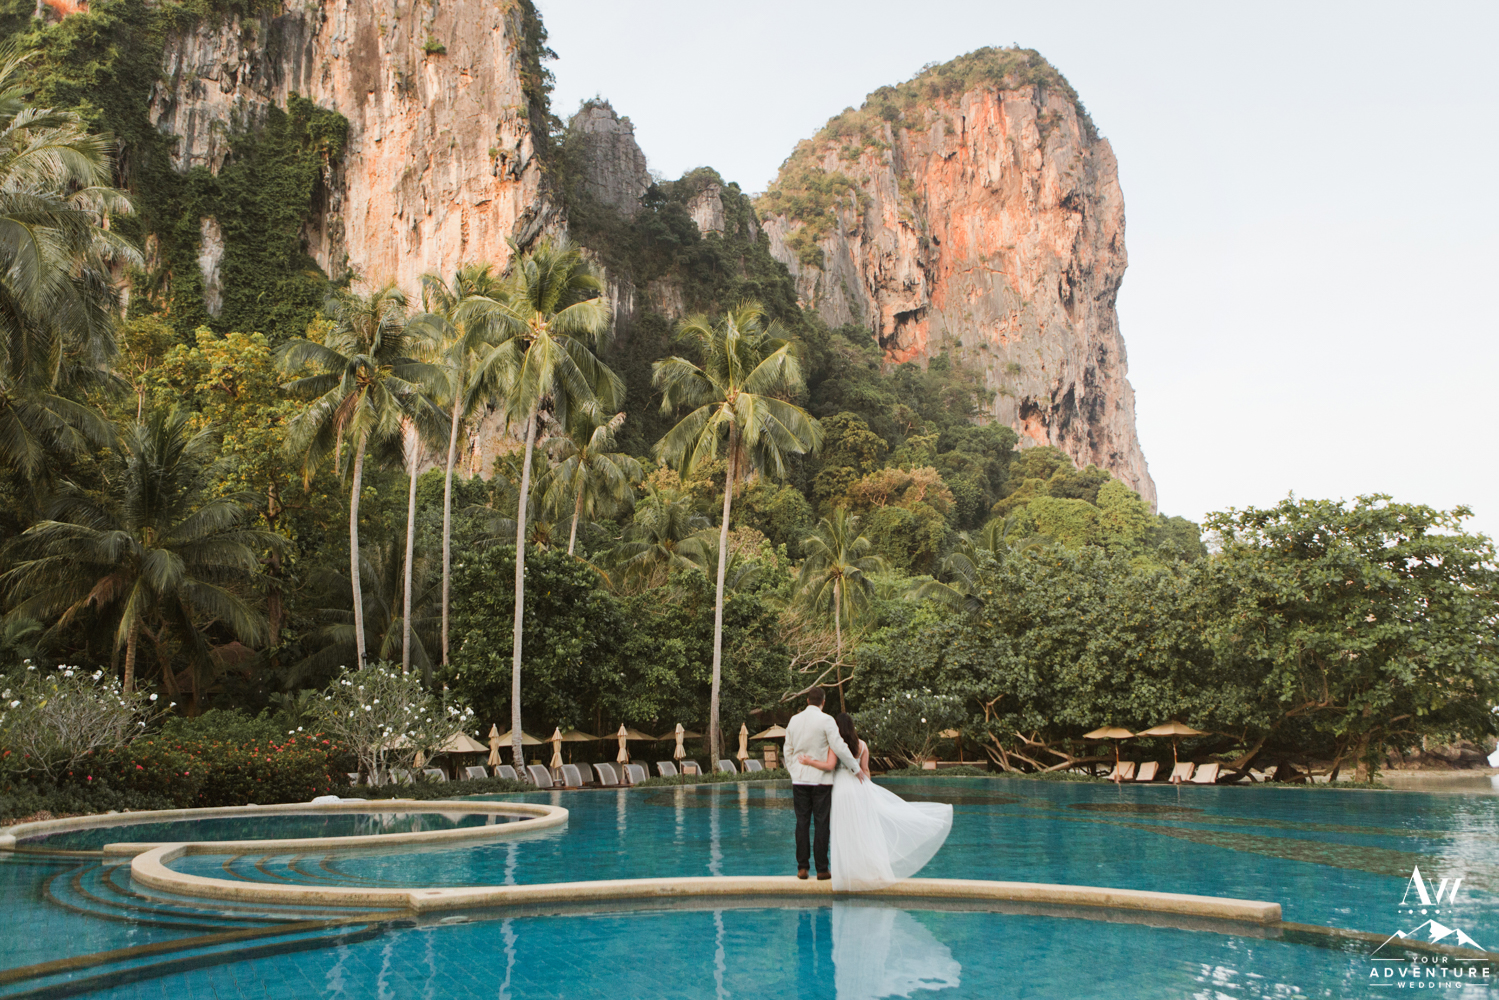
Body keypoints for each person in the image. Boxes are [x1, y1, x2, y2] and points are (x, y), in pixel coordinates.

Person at [799, 711, 953, 891]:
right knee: (864, 829)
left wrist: (809, 761)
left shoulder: (834, 744)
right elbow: (865, 771)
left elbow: (830, 767)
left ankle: (848, 873)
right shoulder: (862, 745)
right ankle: (873, 870)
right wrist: (869, 790)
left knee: (844, 830)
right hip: (859, 787)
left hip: (840, 789)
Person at [783, 687, 862, 880]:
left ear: (807, 701)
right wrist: (855, 768)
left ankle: (802, 867)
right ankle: (821, 869)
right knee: (821, 824)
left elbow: (788, 750)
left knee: (801, 823)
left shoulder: (794, 720)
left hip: (800, 780)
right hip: (821, 781)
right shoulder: (826, 720)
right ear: (823, 702)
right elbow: (839, 746)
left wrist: (794, 771)